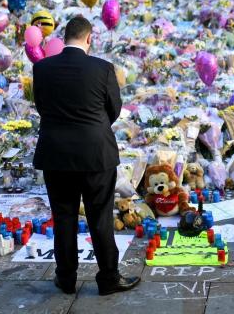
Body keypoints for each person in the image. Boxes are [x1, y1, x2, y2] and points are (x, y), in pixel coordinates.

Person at [32, 16, 140, 296]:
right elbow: (114, 109)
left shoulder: (42, 69)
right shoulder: (103, 69)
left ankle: (65, 278)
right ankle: (108, 278)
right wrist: (94, 126)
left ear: (65, 37)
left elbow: (41, 107)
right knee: (100, 217)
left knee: (64, 216)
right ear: (89, 38)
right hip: (96, 154)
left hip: (56, 155)